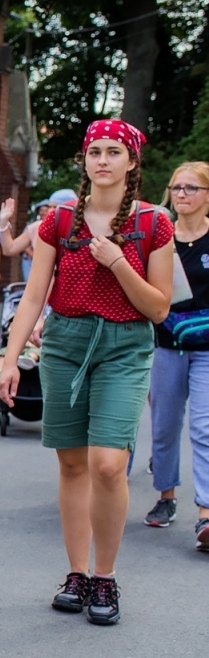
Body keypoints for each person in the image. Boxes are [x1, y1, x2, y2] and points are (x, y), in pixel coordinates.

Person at [0, 119, 174, 626]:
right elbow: (34, 296)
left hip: (125, 345)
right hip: (66, 343)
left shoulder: (152, 224)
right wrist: (10, 360)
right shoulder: (58, 221)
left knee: (107, 464)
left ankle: (106, 575)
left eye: (113, 152)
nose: (102, 160)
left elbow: (159, 308)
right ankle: (77, 572)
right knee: (72, 463)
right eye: (94, 151)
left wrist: (119, 262)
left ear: (131, 161)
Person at [143, 161, 209, 546]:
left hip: (205, 349)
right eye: (177, 187)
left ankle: (205, 512)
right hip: (165, 345)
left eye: (191, 188)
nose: (181, 194)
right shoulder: (159, 238)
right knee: (165, 427)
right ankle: (166, 496)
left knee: (204, 428)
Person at [0, 189, 76, 283]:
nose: (51, 211)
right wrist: (3, 222)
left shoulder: (79, 232)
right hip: (40, 289)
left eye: (56, 207)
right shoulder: (37, 227)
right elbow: (9, 249)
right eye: (50, 207)